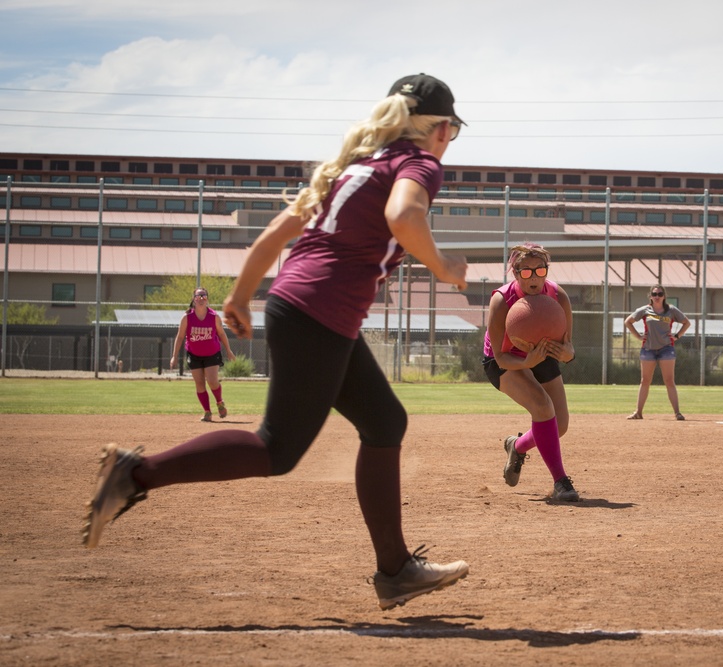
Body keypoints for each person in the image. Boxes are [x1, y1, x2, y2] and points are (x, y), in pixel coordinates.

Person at [83, 73, 471, 611]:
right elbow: (403, 216)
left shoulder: (353, 166)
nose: (448, 142)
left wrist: (240, 297)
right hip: (321, 312)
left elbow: (274, 235)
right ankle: (136, 473)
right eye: (451, 131)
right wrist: (443, 265)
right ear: (441, 128)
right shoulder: (416, 162)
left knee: (384, 422)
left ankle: (396, 571)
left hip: (299, 304)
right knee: (277, 447)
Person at [482, 243, 579, 502]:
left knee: (560, 425)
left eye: (540, 270)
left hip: (542, 354)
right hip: (504, 360)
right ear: (515, 273)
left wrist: (567, 354)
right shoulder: (501, 300)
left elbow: (569, 348)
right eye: (526, 272)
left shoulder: (558, 296)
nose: (534, 277)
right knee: (542, 407)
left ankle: (517, 445)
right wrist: (527, 362)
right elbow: (500, 357)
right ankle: (561, 483)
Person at [624, 285, 691, 421]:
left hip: (666, 348)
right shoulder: (645, 310)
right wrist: (638, 336)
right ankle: (638, 412)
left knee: (669, 380)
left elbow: (686, 322)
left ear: (664, 296)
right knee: (645, 381)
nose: (657, 297)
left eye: (660, 294)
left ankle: (677, 413)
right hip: (648, 349)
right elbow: (628, 321)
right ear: (650, 296)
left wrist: (677, 336)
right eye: (654, 294)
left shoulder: (671, 310)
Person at [170, 287, 236, 422]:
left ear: (207, 300)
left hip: (212, 353)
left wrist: (228, 351)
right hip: (194, 354)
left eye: (204, 296)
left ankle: (219, 402)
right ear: (193, 300)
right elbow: (180, 337)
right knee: (200, 384)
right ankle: (207, 412)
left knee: (212, 381)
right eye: (198, 296)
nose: (201, 299)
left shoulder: (214, 316)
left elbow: (222, 334)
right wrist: (174, 355)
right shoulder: (187, 317)